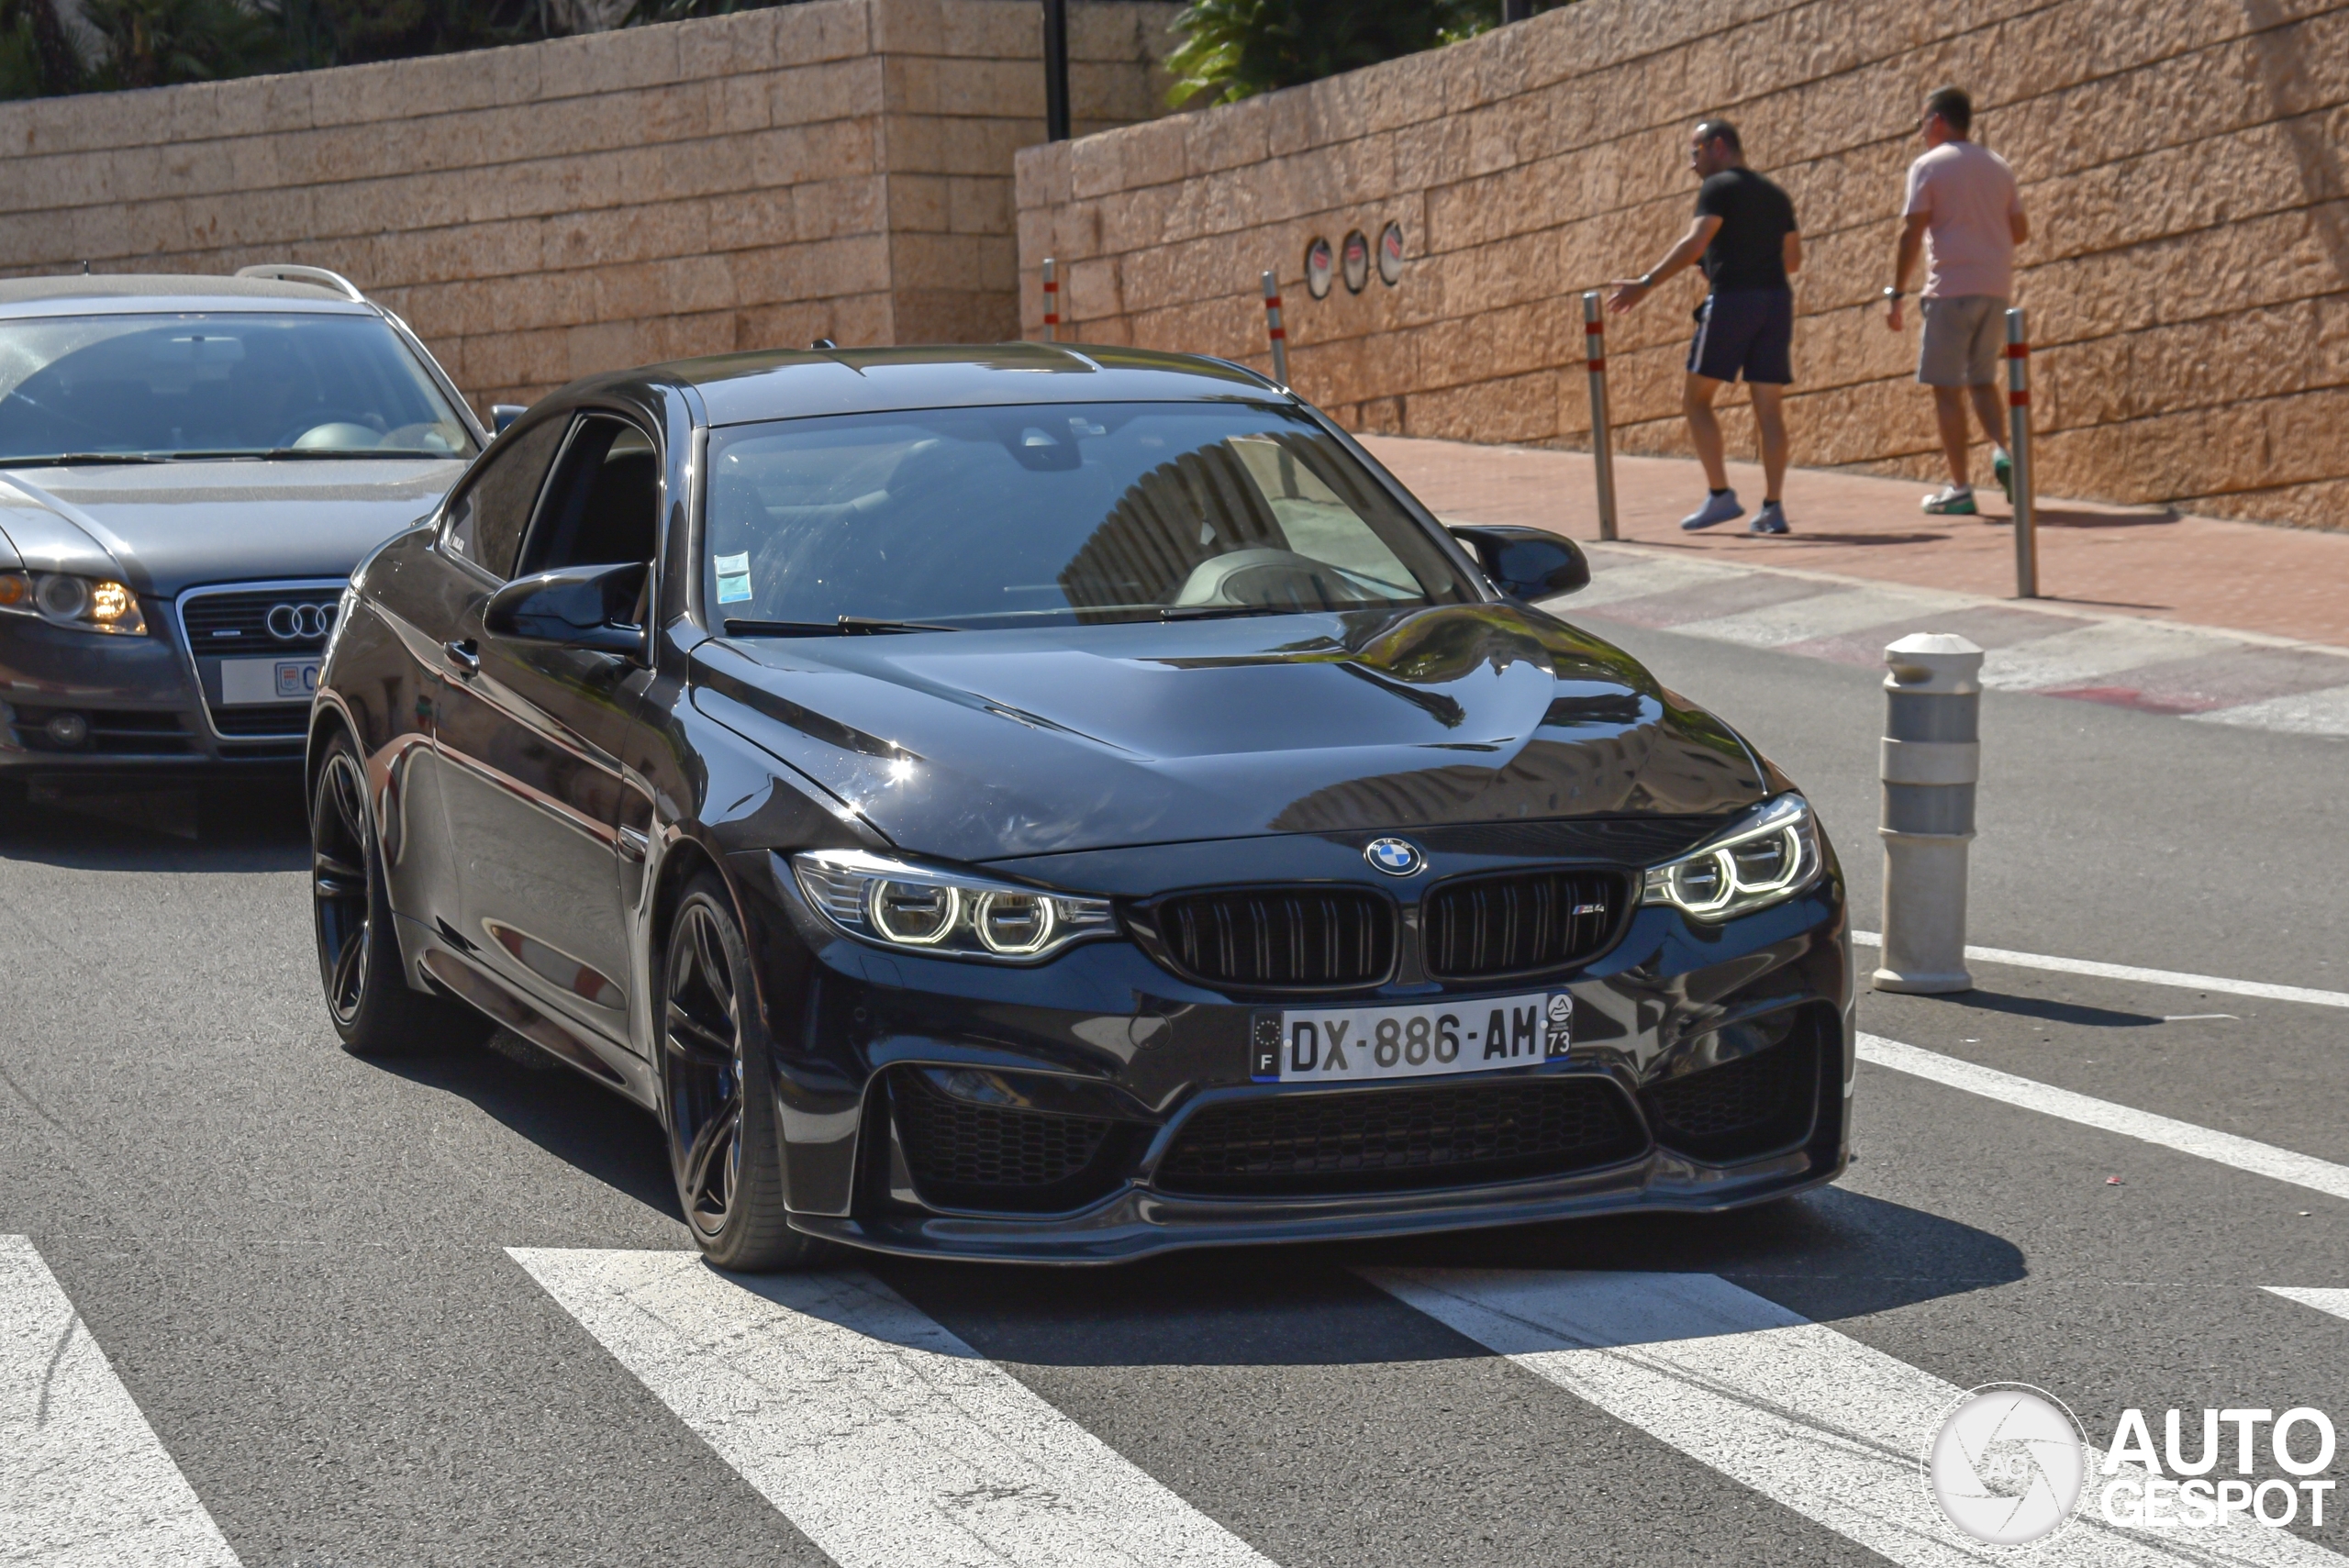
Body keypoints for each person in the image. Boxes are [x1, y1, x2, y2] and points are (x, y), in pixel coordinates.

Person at [1609, 118, 1802, 535]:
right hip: (1776, 301)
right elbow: (1793, 261)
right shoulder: (1775, 194)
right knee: (1769, 408)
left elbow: (1696, 242)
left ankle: (1720, 494)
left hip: (1733, 300)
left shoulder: (1718, 188)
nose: (1691, 165)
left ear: (1717, 146)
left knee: (1696, 400)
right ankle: (1773, 507)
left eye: (1694, 153)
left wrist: (1645, 284)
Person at [1885, 85, 2028, 517]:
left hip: (1949, 291)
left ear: (1938, 121)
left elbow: (1912, 232)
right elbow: (2020, 231)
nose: (1921, 131)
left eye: (1922, 122)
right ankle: (2003, 452)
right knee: (1981, 381)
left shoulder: (1928, 166)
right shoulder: (1998, 166)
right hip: (1994, 290)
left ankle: (1960, 488)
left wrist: (1896, 292)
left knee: (1947, 390)